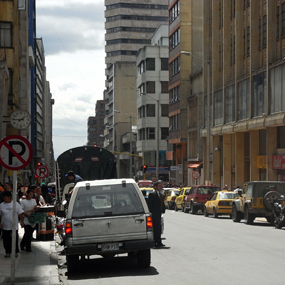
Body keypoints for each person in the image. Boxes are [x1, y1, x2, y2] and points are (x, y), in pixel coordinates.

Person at [0, 191, 24, 257]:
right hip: (5, 226)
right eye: (3, 197)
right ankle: (7, 251)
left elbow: (20, 213)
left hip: (14, 226)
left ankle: (15, 251)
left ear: (9, 197)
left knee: (15, 239)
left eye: (5, 197)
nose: (4, 198)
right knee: (6, 240)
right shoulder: (1, 205)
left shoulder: (15, 204)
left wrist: (22, 222)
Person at [147, 180, 166, 248]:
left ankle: (159, 241)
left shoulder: (160, 194)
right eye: (159, 186)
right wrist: (152, 213)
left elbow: (161, 203)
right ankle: (155, 242)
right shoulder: (152, 194)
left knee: (159, 228)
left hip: (159, 214)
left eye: (161, 186)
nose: (161, 187)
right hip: (154, 215)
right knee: (155, 229)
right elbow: (149, 205)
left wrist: (163, 210)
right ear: (155, 187)